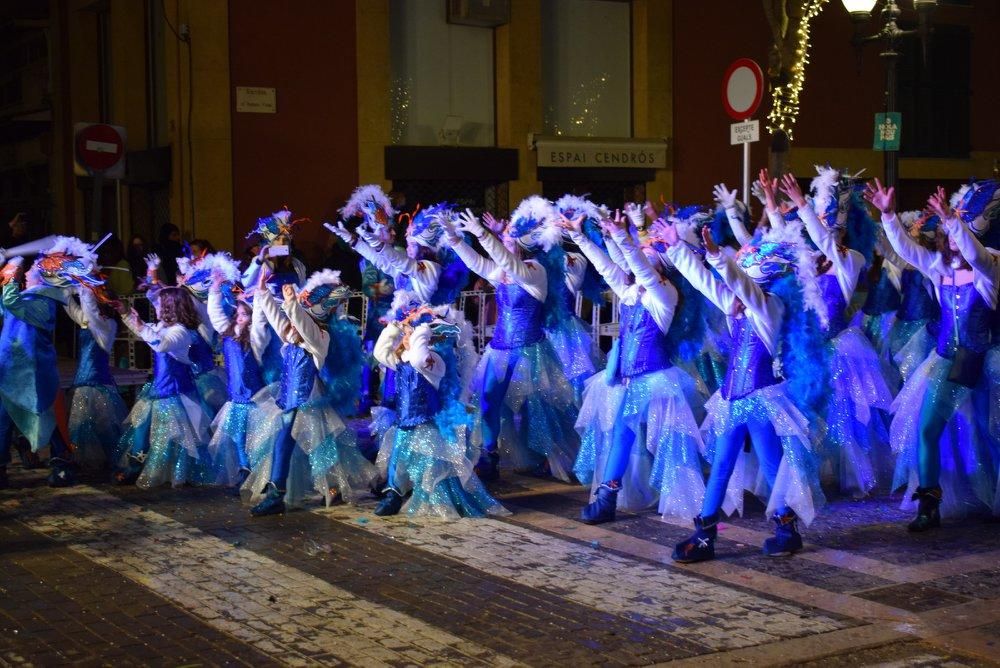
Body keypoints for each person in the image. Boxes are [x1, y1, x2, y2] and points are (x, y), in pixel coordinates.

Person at [666, 219, 827, 562]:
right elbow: (707, 284)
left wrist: (716, 257)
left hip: (761, 398)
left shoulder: (770, 307)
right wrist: (677, 250)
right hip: (732, 399)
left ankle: (786, 529)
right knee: (722, 461)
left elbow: (741, 286)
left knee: (771, 464)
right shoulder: (741, 303)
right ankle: (705, 534)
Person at [866, 178, 999, 530]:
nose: (953, 238)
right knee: (926, 430)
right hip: (947, 360)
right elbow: (908, 252)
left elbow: (978, 258)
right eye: (950, 231)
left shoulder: (990, 270)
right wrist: (889, 216)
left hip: (985, 360)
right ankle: (929, 502)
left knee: (993, 433)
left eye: (961, 232)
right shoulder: (939, 269)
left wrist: (955, 222)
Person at [559, 209, 705, 524]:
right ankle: (607, 497)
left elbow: (639, 266)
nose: (640, 257)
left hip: (656, 377)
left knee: (670, 438)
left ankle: (686, 497)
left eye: (647, 253)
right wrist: (578, 235)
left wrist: (622, 237)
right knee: (621, 433)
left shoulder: (665, 294)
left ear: (662, 265)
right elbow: (604, 265)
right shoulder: (631, 291)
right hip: (628, 377)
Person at [773, 168, 894, 497]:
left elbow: (824, 242)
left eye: (834, 226)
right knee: (805, 415)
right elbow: (782, 245)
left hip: (840, 349)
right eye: (825, 224)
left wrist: (802, 205)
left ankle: (848, 478)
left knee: (844, 418)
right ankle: (808, 478)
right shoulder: (809, 259)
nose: (828, 232)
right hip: (808, 350)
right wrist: (774, 209)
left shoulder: (850, 260)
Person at [441, 198, 581, 482]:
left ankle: (544, 456)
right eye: (502, 237)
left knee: (537, 408)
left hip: (529, 349)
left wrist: (482, 234)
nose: (503, 239)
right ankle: (489, 455)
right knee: (488, 402)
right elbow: (479, 264)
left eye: (508, 237)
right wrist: (455, 239)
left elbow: (509, 264)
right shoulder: (504, 271)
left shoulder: (535, 271)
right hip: (499, 349)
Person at [242, 269, 377, 516]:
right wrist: (262, 290)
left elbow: (304, 325)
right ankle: (314, 488)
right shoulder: (292, 335)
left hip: (307, 400)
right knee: (303, 445)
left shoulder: (320, 338)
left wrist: (293, 304)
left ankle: (280, 494)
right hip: (288, 398)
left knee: (311, 445)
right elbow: (276, 317)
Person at [371, 304, 506, 518]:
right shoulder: (401, 360)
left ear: (428, 338)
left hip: (427, 425)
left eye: (411, 334)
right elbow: (380, 352)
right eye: (407, 334)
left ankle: (430, 496)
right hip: (405, 422)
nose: (407, 338)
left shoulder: (434, 362)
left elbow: (418, 357)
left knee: (430, 468)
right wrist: (396, 327)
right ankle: (393, 495)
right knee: (398, 460)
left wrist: (422, 326)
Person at [0, 237, 101, 488]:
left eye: (33, 269)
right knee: (6, 418)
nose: (29, 271)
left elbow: (11, 302)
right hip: (12, 369)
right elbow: (6, 304)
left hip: (32, 372)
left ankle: (61, 462)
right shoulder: (30, 297)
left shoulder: (45, 301)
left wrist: (11, 272)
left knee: (44, 415)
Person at [113, 286, 214, 488]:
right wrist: (125, 313)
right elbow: (146, 333)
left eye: (160, 303)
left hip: (174, 392)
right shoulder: (164, 327)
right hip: (159, 390)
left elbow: (162, 344)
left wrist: (142, 326)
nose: (156, 306)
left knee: (170, 435)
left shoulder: (181, 331)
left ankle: (170, 471)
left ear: (170, 306)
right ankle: (137, 466)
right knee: (143, 428)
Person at [206, 258, 266, 492]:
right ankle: (244, 469)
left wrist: (259, 297)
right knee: (238, 438)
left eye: (245, 314)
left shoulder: (256, 340)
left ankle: (258, 471)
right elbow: (214, 313)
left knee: (255, 439)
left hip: (254, 400)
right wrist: (214, 288)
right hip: (236, 400)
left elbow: (260, 322)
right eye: (238, 313)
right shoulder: (228, 333)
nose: (240, 317)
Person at [65, 282, 128, 472]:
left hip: (98, 381)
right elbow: (68, 304)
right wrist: (69, 286)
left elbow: (90, 309)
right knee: (81, 424)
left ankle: (114, 463)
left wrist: (85, 286)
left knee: (104, 425)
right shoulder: (89, 320)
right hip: (83, 381)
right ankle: (82, 462)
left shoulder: (108, 324)